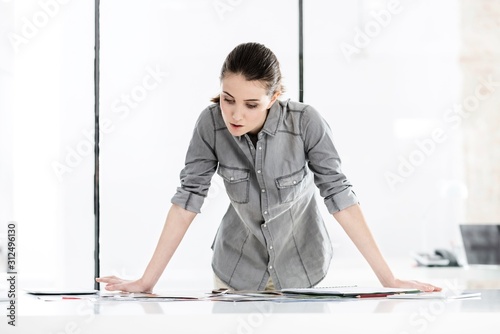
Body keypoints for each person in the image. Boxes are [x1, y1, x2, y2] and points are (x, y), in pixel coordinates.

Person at [97, 42, 441, 293]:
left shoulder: (306, 123)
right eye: (227, 99)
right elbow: (187, 201)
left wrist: (388, 278)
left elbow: (340, 196)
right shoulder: (210, 124)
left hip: (304, 270)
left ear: (274, 97)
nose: (235, 114)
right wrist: (146, 281)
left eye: (251, 104)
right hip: (236, 271)